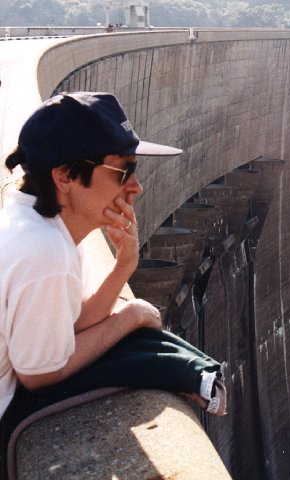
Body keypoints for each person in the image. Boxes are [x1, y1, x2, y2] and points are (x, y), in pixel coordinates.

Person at [0, 92, 228, 477]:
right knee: (139, 348)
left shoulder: (37, 226)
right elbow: (39, 373)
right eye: (123, 171)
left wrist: (125, 266)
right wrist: (127, 318)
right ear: (65, 176)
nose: (135, 187)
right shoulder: (44, 252)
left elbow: (65, 329)